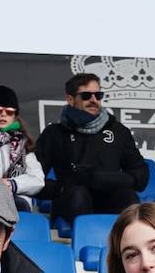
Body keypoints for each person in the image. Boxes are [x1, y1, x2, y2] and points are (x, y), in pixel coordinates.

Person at [35, 73, 148, 223]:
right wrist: (61, 187)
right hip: (71, 202)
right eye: (86, 95)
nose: (94, 100)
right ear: (70, 99)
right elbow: (34, 175)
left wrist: (104, 179)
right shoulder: (54, 133)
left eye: (98, 95)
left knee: (127, 196)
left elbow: (140, 175)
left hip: (109, 199)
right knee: (78, 194)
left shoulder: (118, 131)